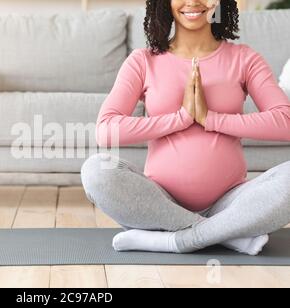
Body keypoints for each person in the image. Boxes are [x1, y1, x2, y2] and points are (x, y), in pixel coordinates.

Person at [81, 0, 290, 255]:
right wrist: (180, 119)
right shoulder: (143, 61)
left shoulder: (244, 58)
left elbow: (285, 122)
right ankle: (224, 234)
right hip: (160, 201)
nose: (192, 1)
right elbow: (106, 130)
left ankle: (175, 240)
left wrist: (210, 119)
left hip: (231, 202)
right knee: (96, 171)